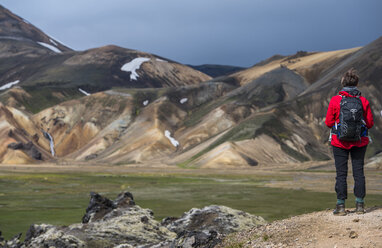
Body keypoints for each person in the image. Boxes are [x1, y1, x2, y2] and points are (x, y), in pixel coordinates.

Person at [325, 68, 374, 215]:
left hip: (339, 142)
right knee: (358, 172)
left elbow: (328, 122)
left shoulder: (335, 100)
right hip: (360, 142)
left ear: (342, 83)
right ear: (356, 84)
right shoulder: (363, 101)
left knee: (341, 173)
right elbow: (370, 123)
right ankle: (360, 205)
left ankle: (340, 206)